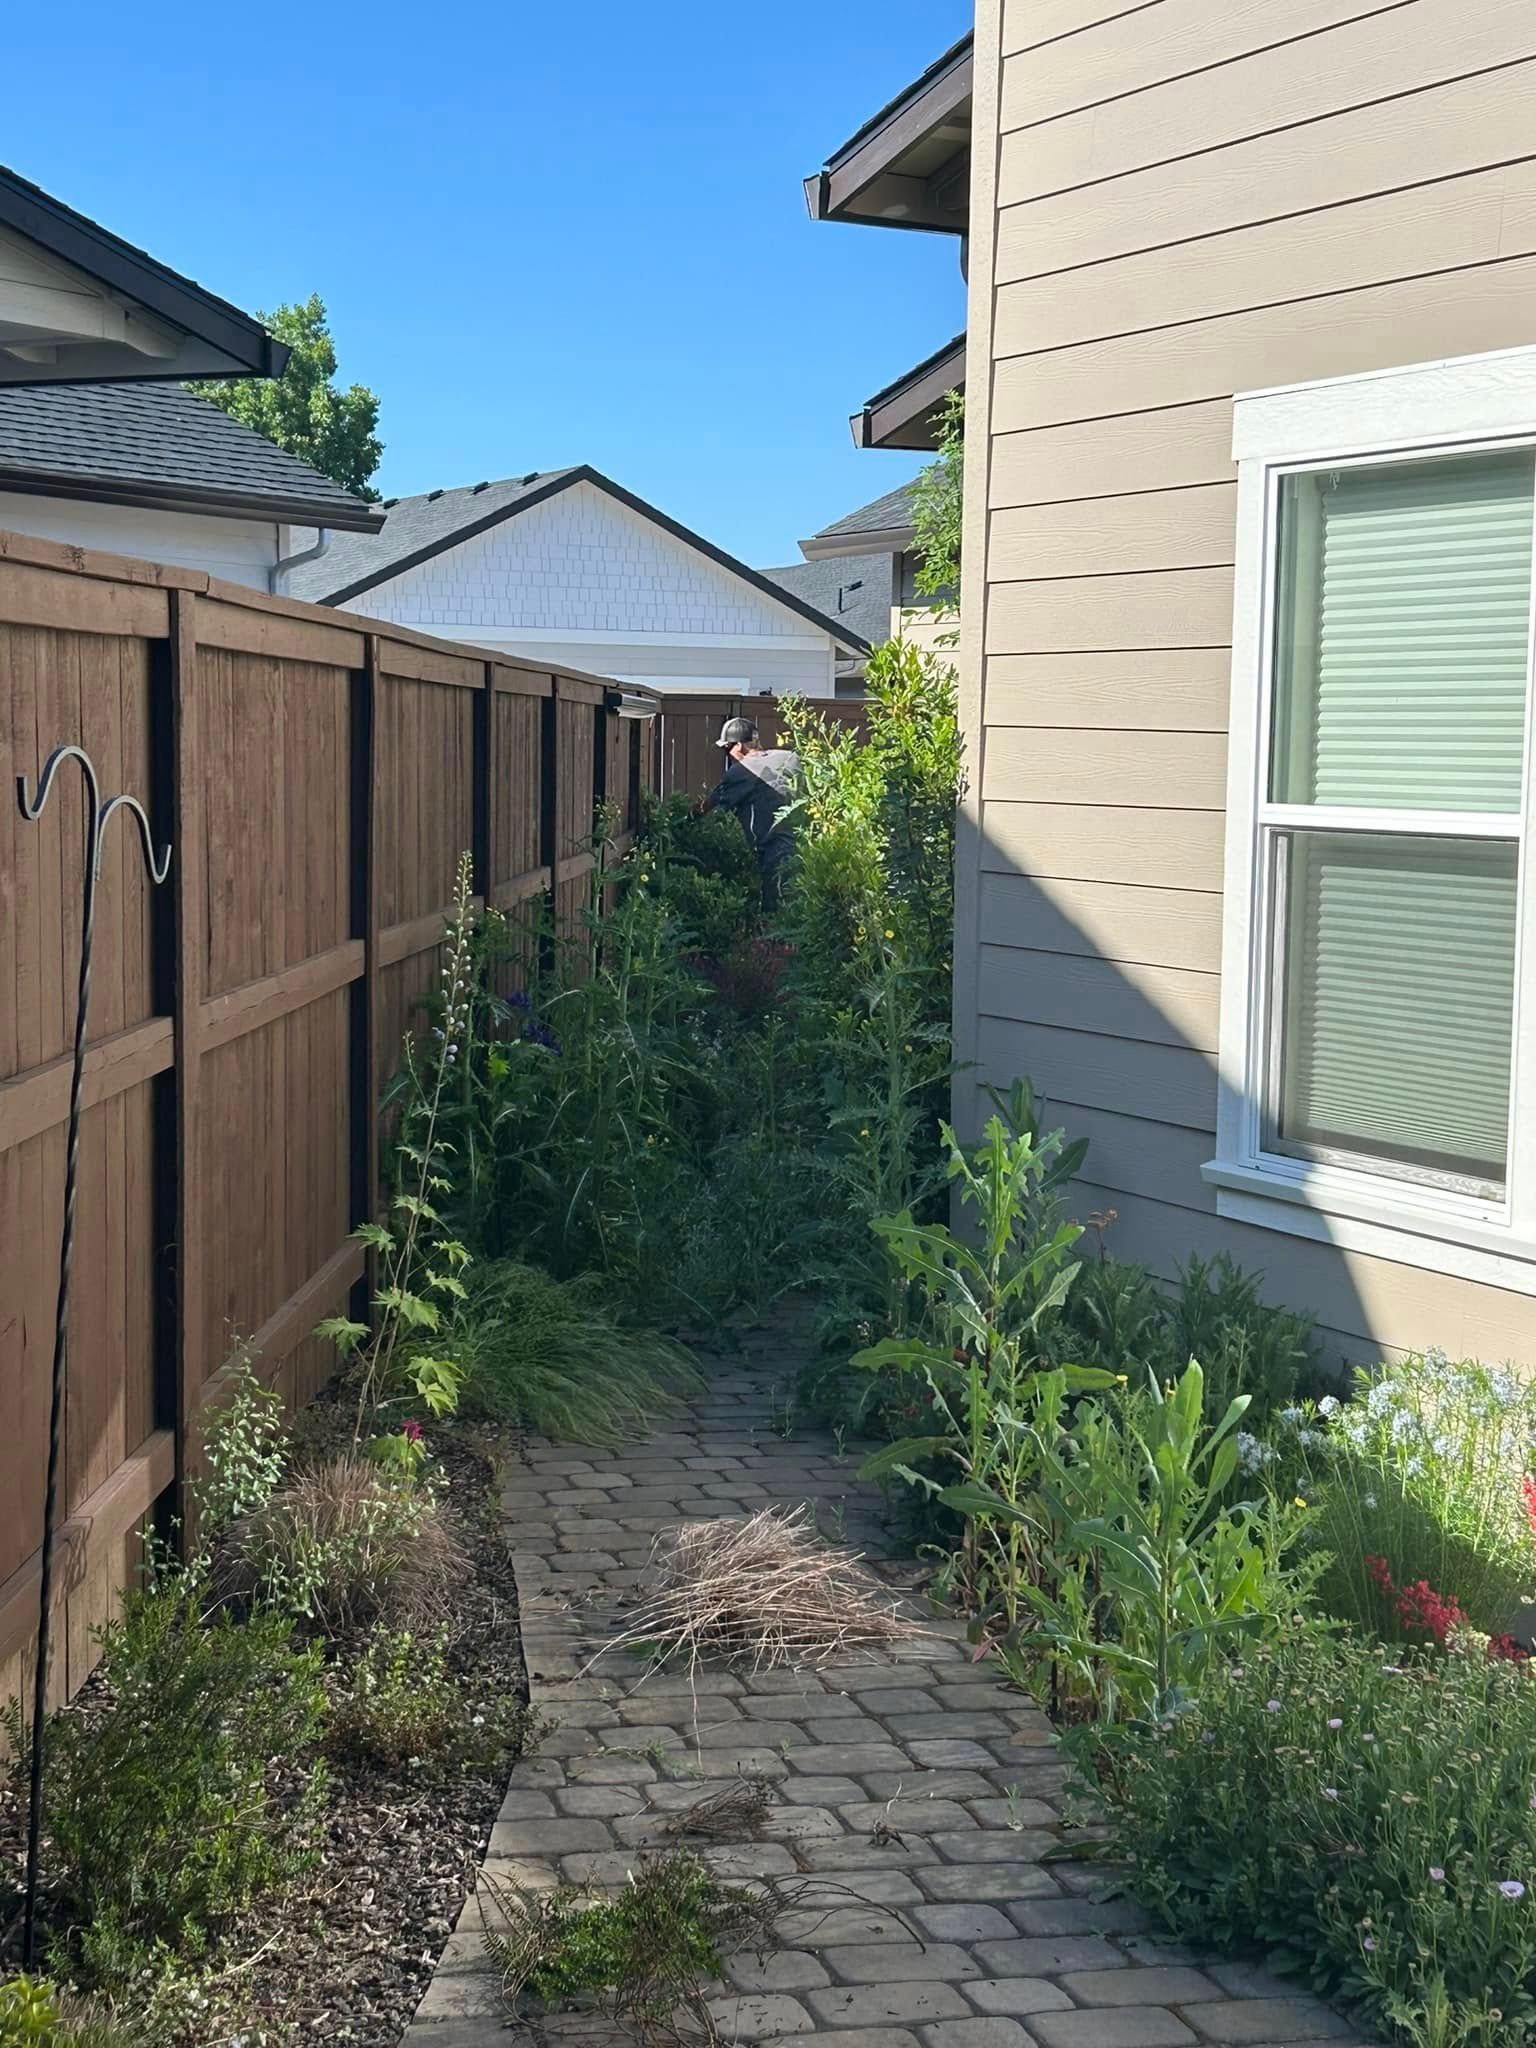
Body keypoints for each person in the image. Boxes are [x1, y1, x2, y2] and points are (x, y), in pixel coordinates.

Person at [701, 716, 801, 910]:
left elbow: (712, 803)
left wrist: (689, 817)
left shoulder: (741, 772)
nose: (728, 755)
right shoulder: (791, 758)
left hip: (774, 849)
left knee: (776, 909)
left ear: (738, 745)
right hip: (806, 843)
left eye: (727, 749)